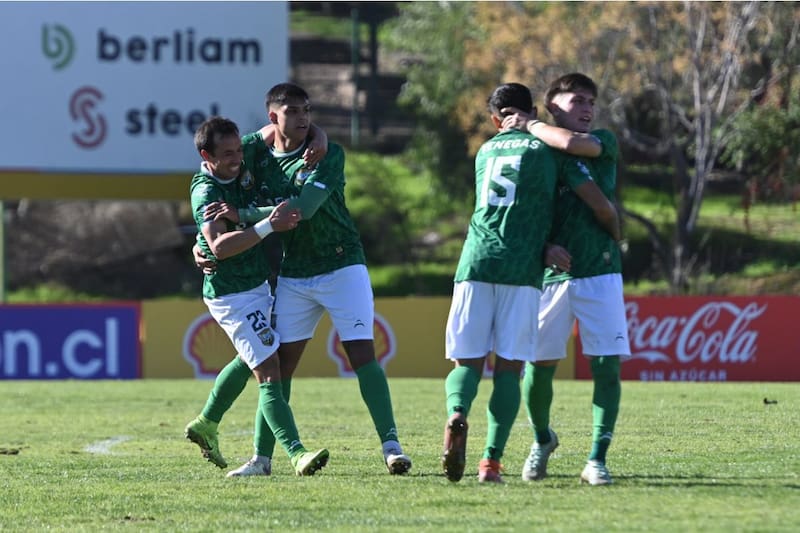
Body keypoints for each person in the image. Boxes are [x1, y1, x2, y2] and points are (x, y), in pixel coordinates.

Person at [198, 83, 412, 477]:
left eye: (307, 111)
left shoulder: (327, 154)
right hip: (295, 272)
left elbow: (302, 211)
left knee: (362, 353)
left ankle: (391, 446)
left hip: (342, 264)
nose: (303, 118)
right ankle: (262, 460)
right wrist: (203, 243)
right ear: (273, 118)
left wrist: (244, 216)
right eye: (293, 111)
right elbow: (212, 161)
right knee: (278, 367)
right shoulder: (255, 152)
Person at [441, 82, 596, 483]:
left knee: (467, 363)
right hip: (522, 268)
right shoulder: (546, 148)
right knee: (508, 370)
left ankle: (457, 414)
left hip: (475, 262)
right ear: (530, 111)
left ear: (496, 120)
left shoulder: (484, 152)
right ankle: (490, 463)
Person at [502, 72, 631, 486]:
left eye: (592, 101)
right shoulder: (533, 154)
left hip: (601, 271)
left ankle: (597, 458)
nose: (588, 108)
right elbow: (517, 213)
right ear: (553, 105)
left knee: (606, 367)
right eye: (577, 100)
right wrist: (541, 248)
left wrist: (533, 124)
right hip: (550, 276)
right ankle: (542, 439)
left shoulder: (603, 142)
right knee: (537, 368)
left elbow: (576, 145)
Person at [184, 116, 330, 477]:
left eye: (238, 150)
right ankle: (295, 454)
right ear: (207, 155)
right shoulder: (206, 191)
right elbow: (217, 246)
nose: (238, 159)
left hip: (257, 284)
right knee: (269, 368)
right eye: (227, 154)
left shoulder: (246, 147)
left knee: (254, 358)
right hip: (231, 294)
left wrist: (321, 139)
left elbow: (286, 128)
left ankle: (207, 422)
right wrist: (267, 225)